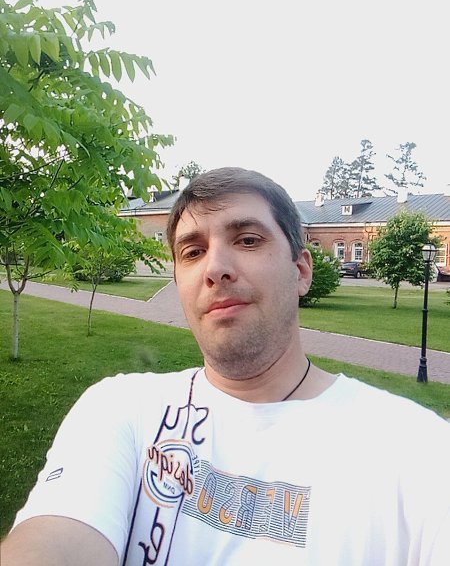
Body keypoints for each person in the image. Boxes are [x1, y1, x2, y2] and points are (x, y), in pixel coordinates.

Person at [2, 167, 450, 565]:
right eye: (192, 252)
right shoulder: (120, 409)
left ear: (301, 271)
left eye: (248, 240)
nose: (215, 268)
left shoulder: (416, 452)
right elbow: (56, 539)